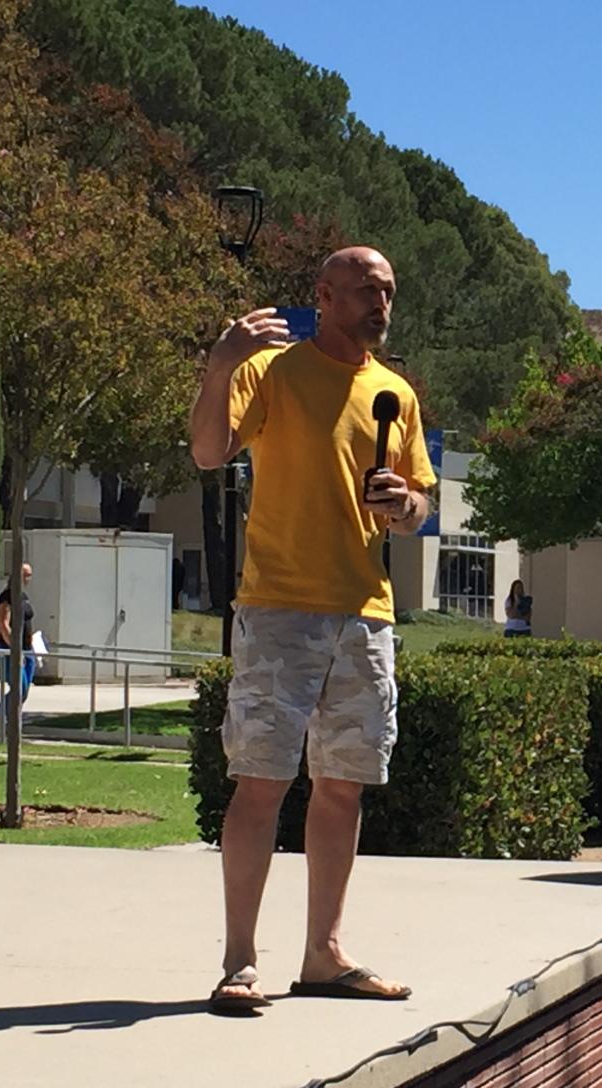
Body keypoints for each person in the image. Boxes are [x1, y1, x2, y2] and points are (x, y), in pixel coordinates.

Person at [189, 246, 436, 1014]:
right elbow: (207, 451)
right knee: (261, 781)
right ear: (323, 296)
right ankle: (239, 961)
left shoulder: (394, 392)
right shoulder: (276, 372)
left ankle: (324, 954)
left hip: (365, 614)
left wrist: (406, 507)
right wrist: (220, 365)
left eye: (388, 290)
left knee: (342, 787)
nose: (379, 302)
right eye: (365, 289)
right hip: (278, 611)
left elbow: (422, 504)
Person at [0, 563, 36, 741]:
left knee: (24, 691)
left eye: (30, 575)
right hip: (11, 649)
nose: (28, 579)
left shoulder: (23, 596)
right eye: (26, 575)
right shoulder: (7, 596)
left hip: (28, 650)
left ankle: (2, 722)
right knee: (18, 688)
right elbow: (3, 624)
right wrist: (15, 649)